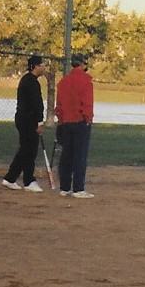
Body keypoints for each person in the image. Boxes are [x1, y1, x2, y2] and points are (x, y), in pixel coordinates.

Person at [2, 55, 46, 193]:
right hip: (28, 120)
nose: (44, 67)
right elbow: (36, 104)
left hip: (23, 118)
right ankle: (28, 181)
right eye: (42, 65)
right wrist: (39, 122)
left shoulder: (27, 80)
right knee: (30, 150)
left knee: (25, 149)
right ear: (35, 66)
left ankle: (11, 178)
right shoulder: (32, 82)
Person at [54, 54, 95, 198]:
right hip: (80, 121)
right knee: (80, 155)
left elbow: (59, 105)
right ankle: (78, 188)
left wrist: (61, 120)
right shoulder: (86, 81)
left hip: (66, 122)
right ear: (83, 64)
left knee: (66, 155)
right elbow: (87, 103)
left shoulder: (63, 82)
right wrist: (88, 119)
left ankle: (64, 187)